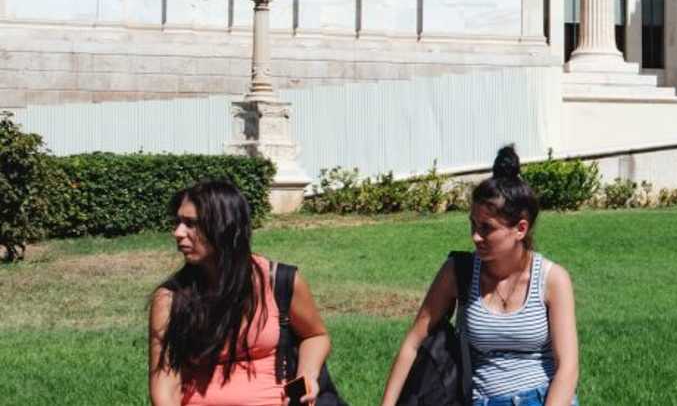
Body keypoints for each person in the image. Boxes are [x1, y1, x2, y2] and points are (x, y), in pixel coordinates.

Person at [380, 145, 580, 406]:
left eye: (487, 228)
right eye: (473, 225)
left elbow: (568, 367)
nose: (475, 236)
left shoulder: (553, 280)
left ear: (520, 229)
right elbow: (413, 343)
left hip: (543, 398)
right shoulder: (457, 272)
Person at [148, 180, 331, 406]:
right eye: (178, 222)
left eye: (191, 224)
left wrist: (306, 377)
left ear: (224, 227)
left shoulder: (280, 282)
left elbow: (315, 335)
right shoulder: (170, 298)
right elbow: (165, 384)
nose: (177, 232)